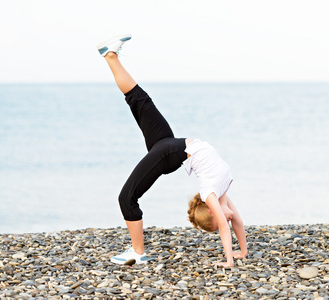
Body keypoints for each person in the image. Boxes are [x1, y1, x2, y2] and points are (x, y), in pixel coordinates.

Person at [97, 34, 247, 268]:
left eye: (218, 223)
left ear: (211, 212)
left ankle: (138, 252)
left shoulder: (211, 194)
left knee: (126, 197)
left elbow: (227, 230)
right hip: (169, 144)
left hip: (168, 154)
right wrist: (242, 253)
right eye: (221, 222)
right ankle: (110, 55)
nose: (225, 221)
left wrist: (229, 260)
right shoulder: (223, 192)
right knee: (139, 99)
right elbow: (236, 224)